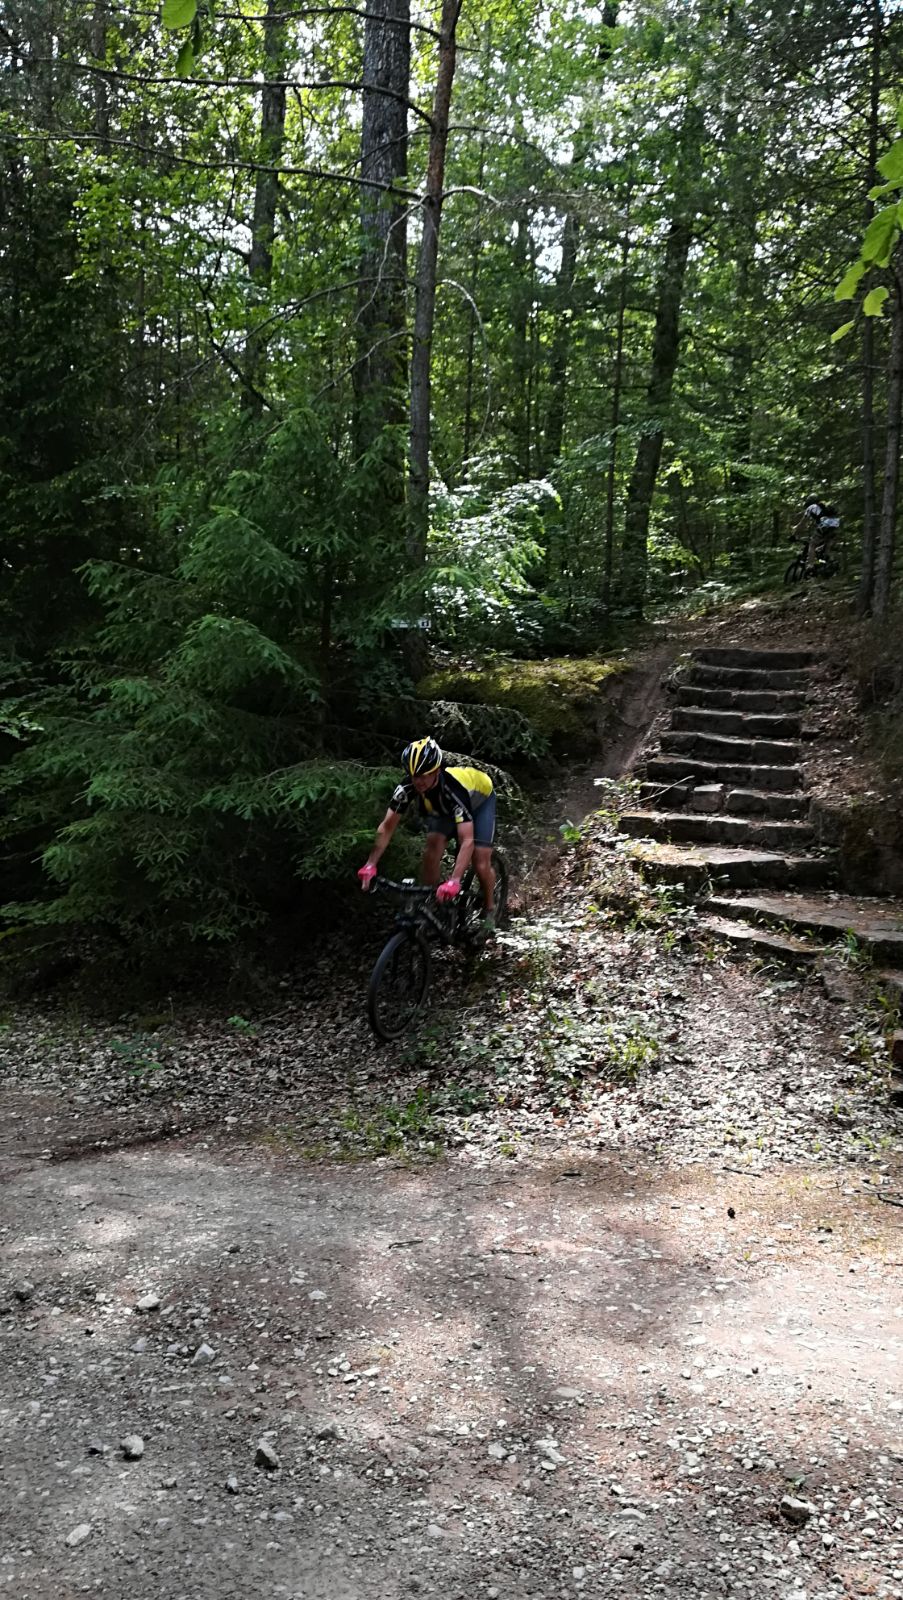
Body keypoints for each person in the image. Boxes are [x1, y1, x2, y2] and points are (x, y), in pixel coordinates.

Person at [358, 737, 498, 937]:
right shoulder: (408, 786)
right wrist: (370, 864)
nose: (418, 781)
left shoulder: (453, 789)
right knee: (432, 848)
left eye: (424, 775)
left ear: (436, 771)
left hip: (479, 799)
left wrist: (455, 881)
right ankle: (433, 906)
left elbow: (466, 840)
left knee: (480, 861)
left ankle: (490, 910)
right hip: (444, 808)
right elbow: (387, 826)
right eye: (414, 776)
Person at [801, 497, 840, 569]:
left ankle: (811, 565)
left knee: (812, 544)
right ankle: (827, 564)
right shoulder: (823, 506)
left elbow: (802, 523)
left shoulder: (811, 507)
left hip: (825, 526)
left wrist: (795, 532)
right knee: (824, 547)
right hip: (835, 525)